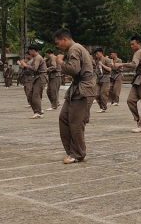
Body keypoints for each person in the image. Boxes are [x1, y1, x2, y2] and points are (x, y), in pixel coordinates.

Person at [52, 29, 96, 163]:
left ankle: (77, 154)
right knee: (64, 118)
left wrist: (60, 62)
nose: (57, 46)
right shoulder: (77, 48)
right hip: (78, 88)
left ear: (65, 39)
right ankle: (73, 152)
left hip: (83, 90)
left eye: (58, 43)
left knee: (76, 122)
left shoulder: (74, 49)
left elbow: (73, 69)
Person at [114, 35, 141, 133]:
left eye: (133, 44)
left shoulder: (139, 52)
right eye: (131, 44)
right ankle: (139, 120)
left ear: (139, 44)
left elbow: (133, 64)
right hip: (138, 79)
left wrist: (121, 64)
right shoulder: (140, 52)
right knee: (130, 100)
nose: (131, 46)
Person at [19, 45, 47, 119]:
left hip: (41, 77)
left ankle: (38, 113)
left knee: (35, 95)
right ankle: (36, 111)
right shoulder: (35, 58)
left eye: (30, 51)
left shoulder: (38, 57)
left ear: (33, 51)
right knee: (30, 95)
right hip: (36, 77)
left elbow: (34, 68)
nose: (29, 53)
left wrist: (25, 65)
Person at [93, 48, 113, 113]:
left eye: (97, 53)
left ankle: (104, 107)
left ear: (101, 53)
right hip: (99, 78)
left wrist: (102, 64)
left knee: (103, 93)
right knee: (96, 94)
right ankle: (101, 107)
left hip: (106, 78)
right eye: (95, 54)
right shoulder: (97, 61)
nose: (96, 55)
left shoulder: (107, 60)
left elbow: (109, 69)